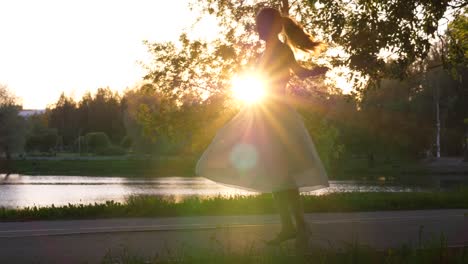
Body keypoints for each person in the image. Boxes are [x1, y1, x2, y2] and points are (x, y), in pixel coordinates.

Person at [196, 7, 329, 248]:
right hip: (263, 115)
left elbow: (299, 72)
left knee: (283, 176)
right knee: (276, 175)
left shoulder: (280, 49)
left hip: (277, 118)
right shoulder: (268, 50)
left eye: (259, 25)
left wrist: (316, 71)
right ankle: (292, 227)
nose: (256, 29)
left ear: (270, 27)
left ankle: (298, 228)